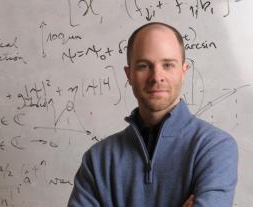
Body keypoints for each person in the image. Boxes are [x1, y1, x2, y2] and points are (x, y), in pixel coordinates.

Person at [67, 22, 238, 207]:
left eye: (168, 65)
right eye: (144, 66)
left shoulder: (214, 148)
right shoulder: (97, 160)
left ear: (183, 71)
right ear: (129, 74)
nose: (157, 76)